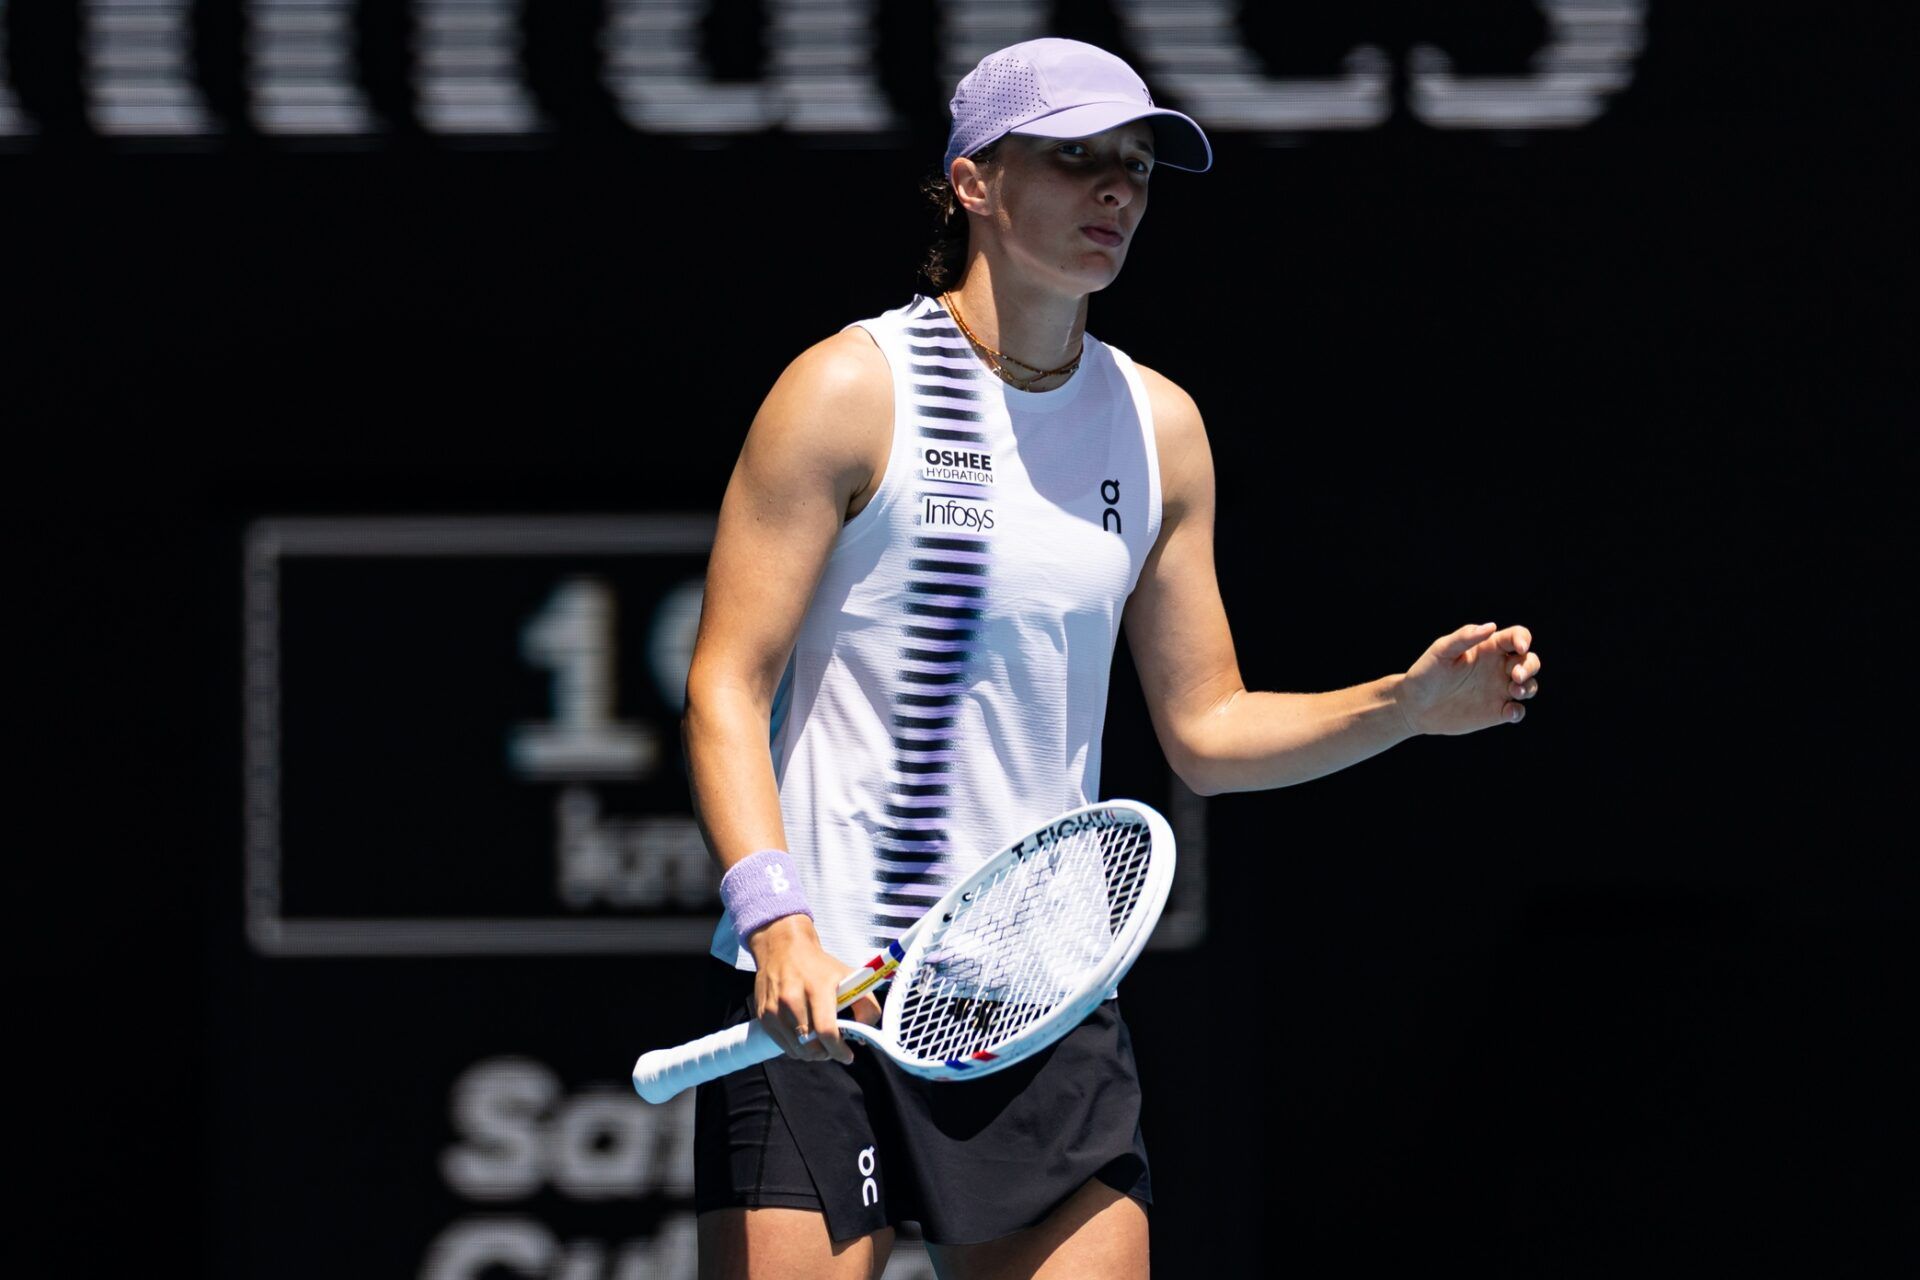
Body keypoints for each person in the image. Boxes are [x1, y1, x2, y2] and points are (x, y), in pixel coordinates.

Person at [683, 36, 1543, 1280]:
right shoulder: (845, 391)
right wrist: (777, 923)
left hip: (1038, 994)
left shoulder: (1157, 428)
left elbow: (1208, 728)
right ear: (975, 182)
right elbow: (725, 681)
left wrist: (1402, 704)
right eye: (1076, 158)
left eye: (1135, 167)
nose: (1116, 193)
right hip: (831, 989)